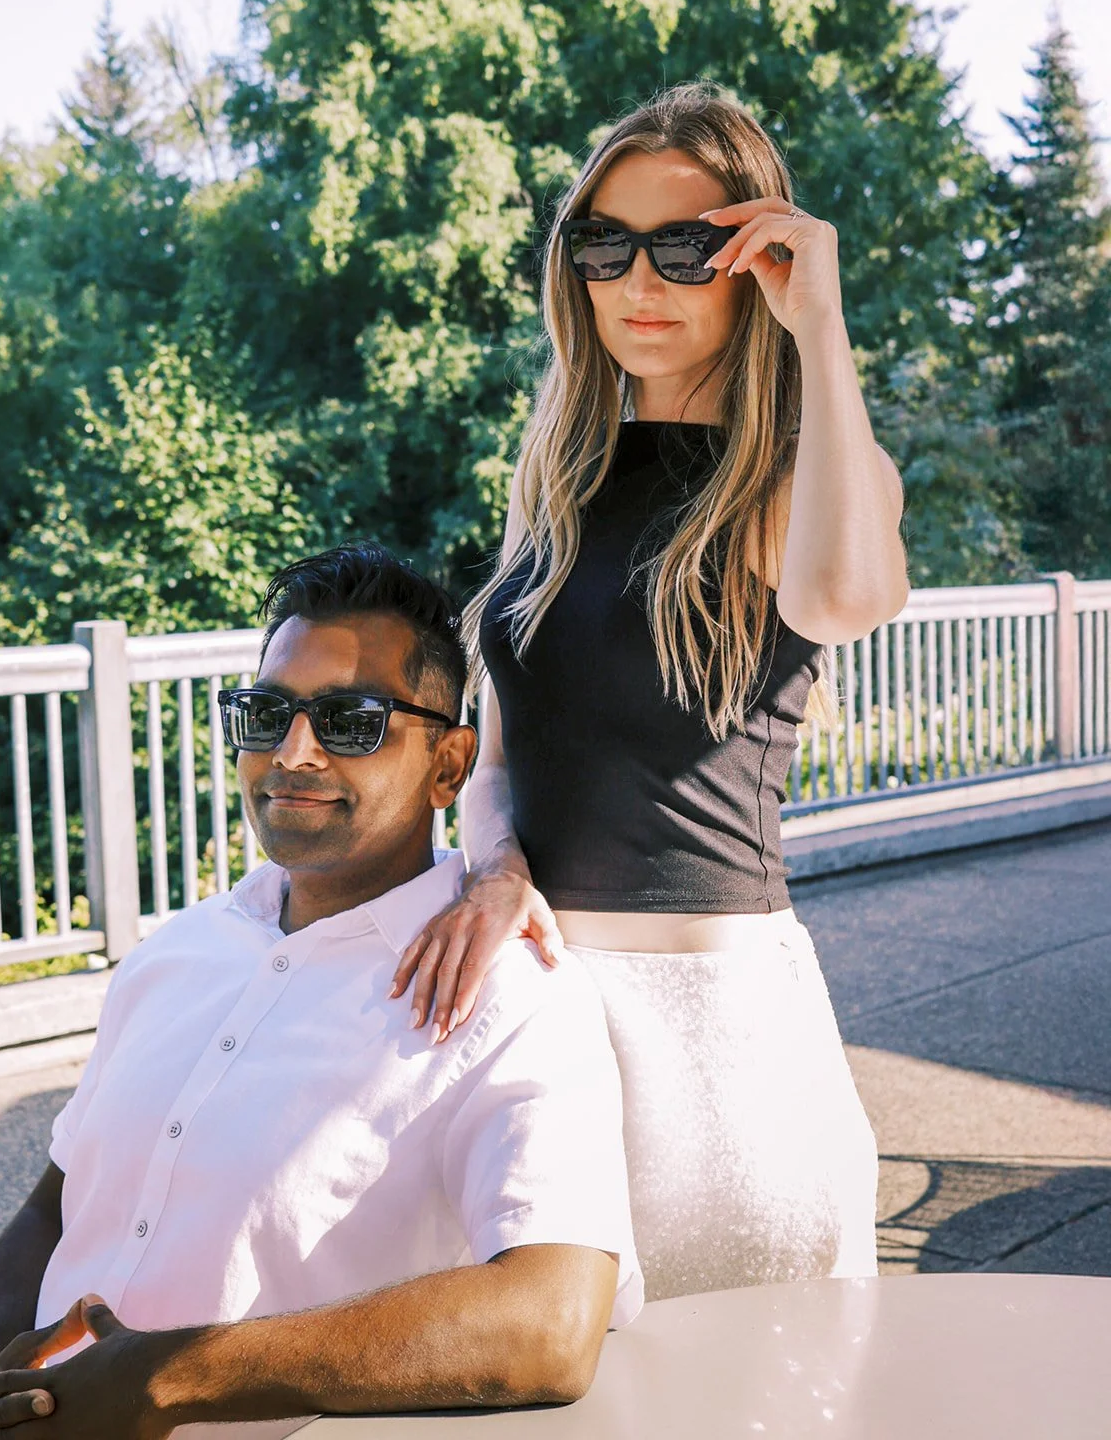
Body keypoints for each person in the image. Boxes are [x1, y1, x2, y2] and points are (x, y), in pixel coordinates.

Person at [0, 544, 642, 1440]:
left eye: (350, 721)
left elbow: (551, 1325)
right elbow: (56, 1202)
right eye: (266, 714)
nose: (292, 753)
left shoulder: (512, 998)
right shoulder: (177, 954)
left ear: (450, 768)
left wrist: (172, 1378)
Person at [388, 81, 910, 1300]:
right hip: (547, 1019)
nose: (639, 281)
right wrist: (498, 869)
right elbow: (503, 754)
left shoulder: (803, 473)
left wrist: (818, 327)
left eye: (687, 248)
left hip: (722, 1035)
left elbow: (844, 598)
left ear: (755, 261)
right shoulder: (556, 492)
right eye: (604, 245)